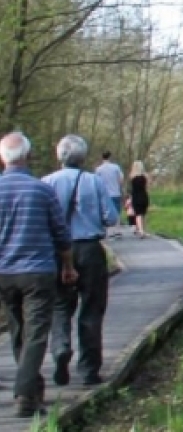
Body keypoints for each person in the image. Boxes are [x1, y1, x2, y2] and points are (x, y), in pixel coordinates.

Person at [0, 132, 78, 417]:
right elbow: (61, 234)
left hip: (4, 273)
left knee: (18, 331)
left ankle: (32, 394)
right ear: (28, 156)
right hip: (38, 271)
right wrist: (68, 266)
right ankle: (24, 393)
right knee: (35, 334)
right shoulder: (42, 190)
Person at [42, 134, 118, 388]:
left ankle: (61, 347)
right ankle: (88, 370)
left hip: (57, 251)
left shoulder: (47, 183)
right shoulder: (94, 182)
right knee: (92, 308)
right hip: (89, 249)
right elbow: (111, 217)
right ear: (83, 157)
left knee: (60, 305)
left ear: (59, 156)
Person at [94, 151, 124, 222]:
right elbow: (121, 179)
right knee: (117, 212)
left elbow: (96, 182)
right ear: (110, 157)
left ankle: (108, 229)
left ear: (102, 158)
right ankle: (117, 227)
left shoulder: (98, 169)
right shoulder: (116, 167)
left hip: (104, 195)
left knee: (105, 214)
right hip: (115, 193)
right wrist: (118, 186)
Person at [128, 160, 150, 238]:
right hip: (144, 195)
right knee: (143, 214)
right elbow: (147, 187)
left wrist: (130, 198)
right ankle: (143, 230)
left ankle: (140, 231)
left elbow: (132, 188)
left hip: (136, 196)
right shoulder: (145, 176)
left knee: (138, 214)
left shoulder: (132, 176)